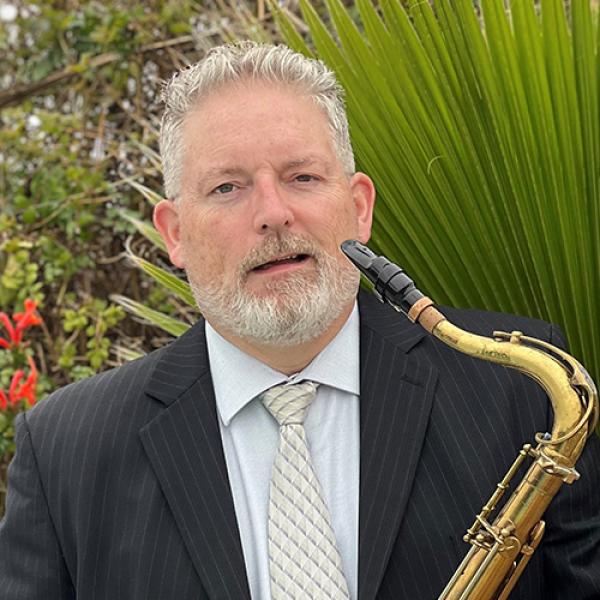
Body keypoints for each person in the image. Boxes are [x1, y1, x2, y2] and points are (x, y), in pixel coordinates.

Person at [0, 42, 598, 600]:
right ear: (175, 233)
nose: (273, 213)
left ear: (358, 207)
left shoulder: (520, 393)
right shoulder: (63, 449)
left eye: (302, 177)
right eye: (227, 186)